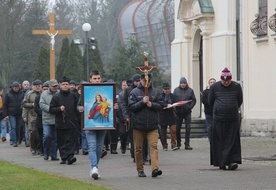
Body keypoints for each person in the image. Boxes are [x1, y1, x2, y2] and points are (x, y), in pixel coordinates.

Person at [128, 73, 163, 178]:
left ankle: (155, 169)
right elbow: (132, 107)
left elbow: (161, 105)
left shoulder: (156, 92)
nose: (145, 83)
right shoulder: (134, 92)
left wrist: (152, 105)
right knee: (138, 148)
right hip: (138, 125)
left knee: (153, 146)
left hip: (152, 125)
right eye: (144, 81)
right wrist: (142, 102)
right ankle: (140, 169)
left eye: (147, 81)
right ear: (141, 81)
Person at [208, 67, 243, 170]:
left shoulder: (237, 87)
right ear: (221, 79)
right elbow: (210, 102)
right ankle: (221, 162)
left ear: (230, 79)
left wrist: (233, 108)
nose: (226, 83)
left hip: (232, 118)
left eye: (228, 81)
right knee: (219, 141)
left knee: (232, 141)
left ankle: (232, 161)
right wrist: (218, 109)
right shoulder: (214, 87)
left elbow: (239, 100)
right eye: (224, 81)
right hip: (219, 118)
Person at [49, 77, 81, 165]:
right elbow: (51, 109)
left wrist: (77, 118)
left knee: (71, 140)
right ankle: (64, 157)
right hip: (61, 122)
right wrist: (59, 109)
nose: (65, 86)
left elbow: (77, 107)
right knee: (62, 140)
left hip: (72, 122)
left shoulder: (73, 96)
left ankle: (70, 156)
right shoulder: (56, 97)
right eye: (63, 84)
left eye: (67, 84)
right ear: (60, 85)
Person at [84, 70, 108, 179]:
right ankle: (94, 167)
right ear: (90, 79)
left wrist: (114, 108)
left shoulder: (107, 90)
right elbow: (79, 105)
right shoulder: (85, 91)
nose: (97, 80)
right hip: (90, 124)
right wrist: (80, 108)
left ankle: (95, 167)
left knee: (99, 148)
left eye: (98, 78)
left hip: (102, 124)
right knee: (92, 146)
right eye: (94, 78)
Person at [173, 77, 196, 150]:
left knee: (188, 128)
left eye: (184, 83)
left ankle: (187, 144)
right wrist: (175, 107)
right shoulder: (176, 90)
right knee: (177, 128)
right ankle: (178, 143)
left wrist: (190, 107)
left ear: (186, 83)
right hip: (178, 112)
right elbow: (173, 100)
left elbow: (194, 100)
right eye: (182, 83)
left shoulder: (190, 90)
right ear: (180, 83)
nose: (183, 84)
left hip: (187, 112)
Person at [40, 79, 59, 161]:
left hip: (57, 119)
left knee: (55, 138)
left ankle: (54, 155)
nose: (55, 87)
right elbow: (41, 104)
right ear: (49, 86)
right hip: (47, 119)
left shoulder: (59, 94)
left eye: (56, 86)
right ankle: (46, 153)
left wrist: (57, 109)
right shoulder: (44, 94)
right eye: (54, 86)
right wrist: (51, 109)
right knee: (47, 136)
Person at [3, 81, 24, 147]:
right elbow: (5, 105)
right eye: (15, 87)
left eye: (17, 87)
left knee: (19, 127)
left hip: (20, 113)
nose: (16, 89)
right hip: (11, 113)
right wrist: (5, 115)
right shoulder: (8, 94)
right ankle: (14, 141)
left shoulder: (22, 93)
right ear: (12, 88)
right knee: (13, 127)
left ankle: (18, 139)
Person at [159, 82, 178, 151]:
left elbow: (176, 102)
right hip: (163, 115)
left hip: (171, 115)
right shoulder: (160, 96)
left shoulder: (173, 96)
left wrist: (174, 105)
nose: (167, 90)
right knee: (163, 132)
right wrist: (165, 105)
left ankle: (173, 144)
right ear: (163, 89)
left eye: (168, 89)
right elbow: (159, 103)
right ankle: (165, 145)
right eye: (165, 89)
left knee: (173, 131)